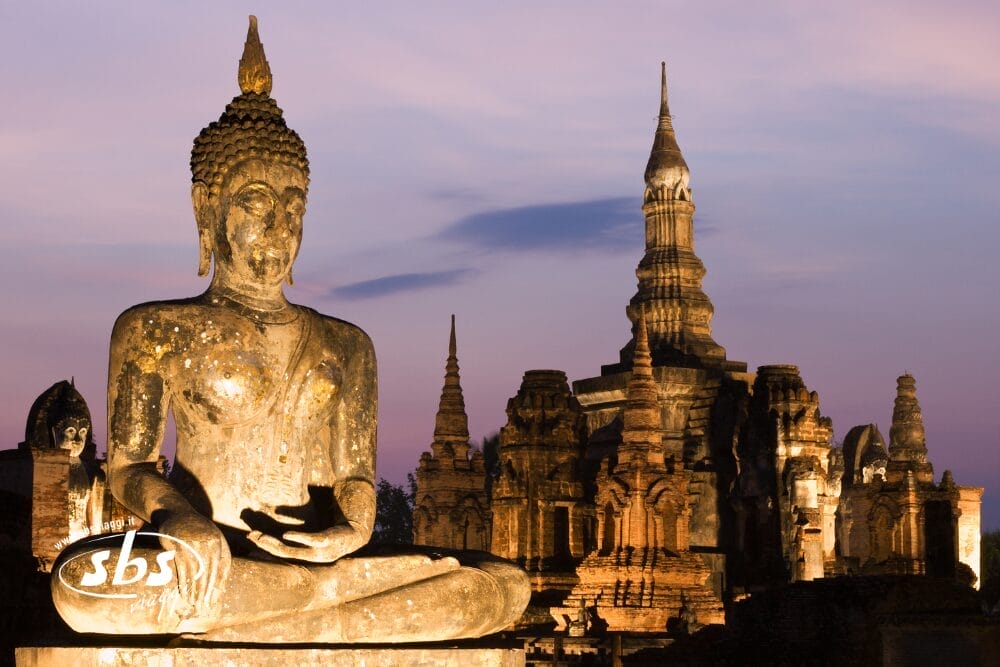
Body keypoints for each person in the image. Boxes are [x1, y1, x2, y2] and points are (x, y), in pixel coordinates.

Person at [52, 17, 529, 643]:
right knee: (80, 587)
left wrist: (352, 530)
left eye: (294, 207)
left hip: (316, 569)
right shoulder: (155, 329)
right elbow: (128, 465)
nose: (279, 226)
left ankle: (305, 599)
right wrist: (178, 516)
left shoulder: (348, 345)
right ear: (207, 208)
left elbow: (356, 479)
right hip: (210, 559)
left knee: (506, 588)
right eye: (255, 203)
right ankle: (326, 609)